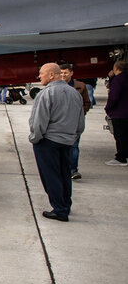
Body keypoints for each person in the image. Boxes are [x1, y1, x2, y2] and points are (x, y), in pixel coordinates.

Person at [29, 63, 85, 222]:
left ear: (52, 75)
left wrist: (35, 138)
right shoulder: (74, 93)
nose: (39, 76)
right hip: (67, 140)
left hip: (48, 141)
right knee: (64, 173)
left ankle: (59, 209)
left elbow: (39, 122)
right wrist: (73, 136)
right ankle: (65, 204)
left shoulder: (46, 94)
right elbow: (80, 122)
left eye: (41, 73)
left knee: (51, 175)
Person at [58, 63, 91, 180]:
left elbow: (87, 103)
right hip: (60, 122)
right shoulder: (54, 87)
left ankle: (73, 170)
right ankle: (62, 169)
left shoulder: (81, 86)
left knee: (74, 146)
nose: (63, 75)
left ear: (71, 73)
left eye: (65, 72)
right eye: (61, 73)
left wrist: (80, 113)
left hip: (75, 121)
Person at [104, 61, 128, 166]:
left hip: (119, 113)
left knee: (119, 136)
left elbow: (114, 97)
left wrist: (108, 108)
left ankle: (121, 157)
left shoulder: (118, 80)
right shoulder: (125, 78)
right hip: (125, 112)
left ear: (116, 68)